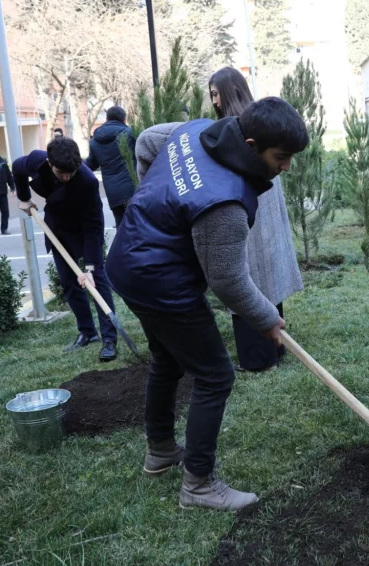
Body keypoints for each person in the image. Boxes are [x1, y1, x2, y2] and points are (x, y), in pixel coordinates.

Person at [105, 97, 309, 511]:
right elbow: (229, 282)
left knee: (168, 359)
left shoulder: (196, 130)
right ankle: (198, 484)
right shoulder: (225, 204)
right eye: (281, 157)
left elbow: (146, 141)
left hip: (128, 261)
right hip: (160, 281)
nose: (286, 167)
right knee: (215, 376)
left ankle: (161, 449)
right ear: (250, 144)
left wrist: (153, 199)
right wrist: (269, 320)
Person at [209, 67, 303, 372]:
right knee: (265, 281)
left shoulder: (235, 132)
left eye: (215, 93)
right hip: (259, 217)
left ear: (228, 91)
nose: (213, 100)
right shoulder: (258, 124)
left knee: (247, 282)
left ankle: (260, 359)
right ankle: (277, 349)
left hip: (251, 214)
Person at [13, 138, 120, 361]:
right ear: (49, 162)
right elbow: (16, 167)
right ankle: (88, 333)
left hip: (85, 227)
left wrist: (89, 267)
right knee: (70, 283)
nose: (66, 177)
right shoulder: (36, 160)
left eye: (71, 172)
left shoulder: (87, 181)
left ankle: (109, 339)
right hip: (58, 226)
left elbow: (93, 225)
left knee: (97, 281)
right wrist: (24, 198)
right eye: (61, 172)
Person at [86, 105, 136, 228]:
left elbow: (91, 164)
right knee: (137, 225)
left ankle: (121, 247)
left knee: (121, 227)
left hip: (113, 192)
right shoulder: (129, 134)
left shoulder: (94, 141)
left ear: (107, 119)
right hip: (132, 188)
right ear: (124, 119)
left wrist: (73, 166)